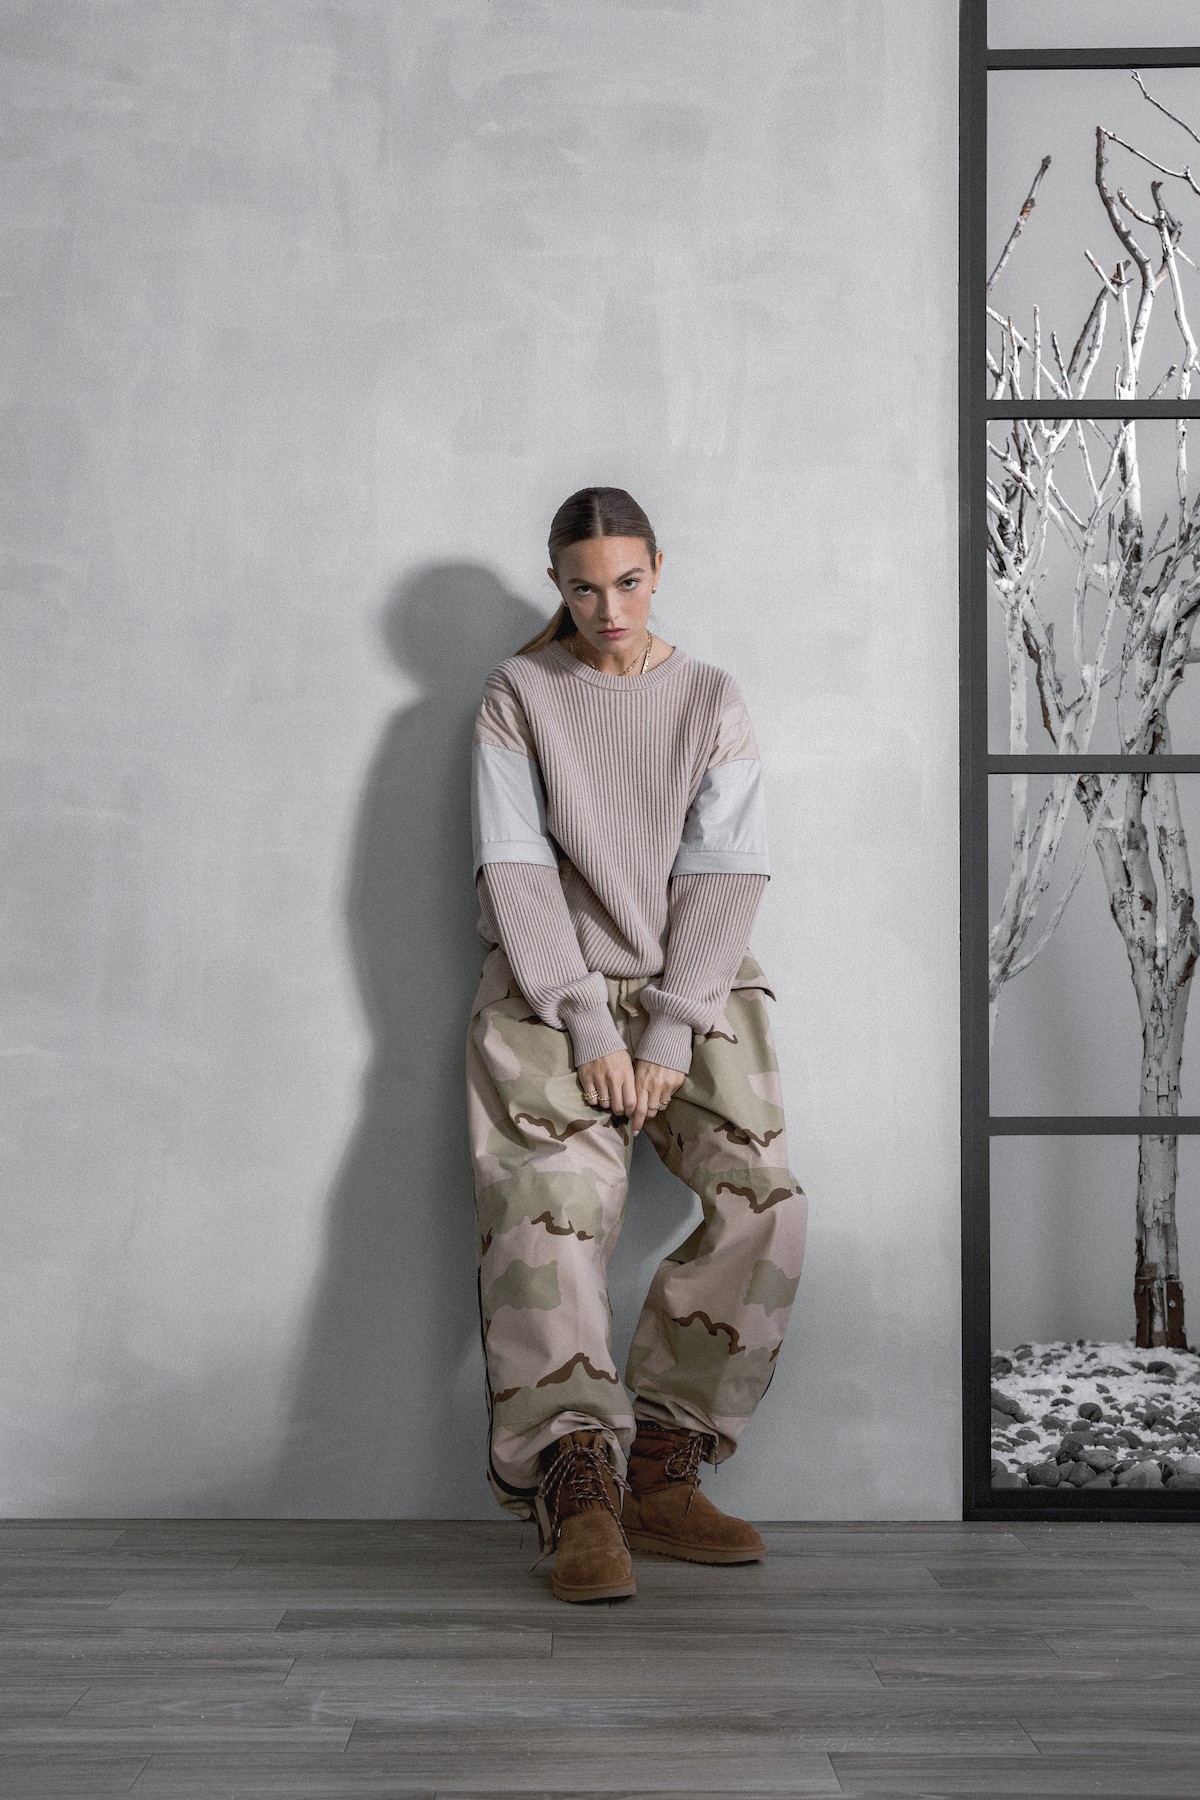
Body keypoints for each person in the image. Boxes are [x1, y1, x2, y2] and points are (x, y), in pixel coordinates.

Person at [464, 485, 808, 1603]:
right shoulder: (520, 692)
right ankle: (576, 1484)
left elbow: (729, 870)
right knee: (548, 1216)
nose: (608, 609)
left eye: (628, 582)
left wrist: (667, 1029)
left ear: (659, 570)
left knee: (767, 1204)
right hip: (545, 985)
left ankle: (662, 1466)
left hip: (697, 983)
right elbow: (513, 867)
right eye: (582, 588)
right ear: (555, 585)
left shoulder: (710, 695)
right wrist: (580, 1016)